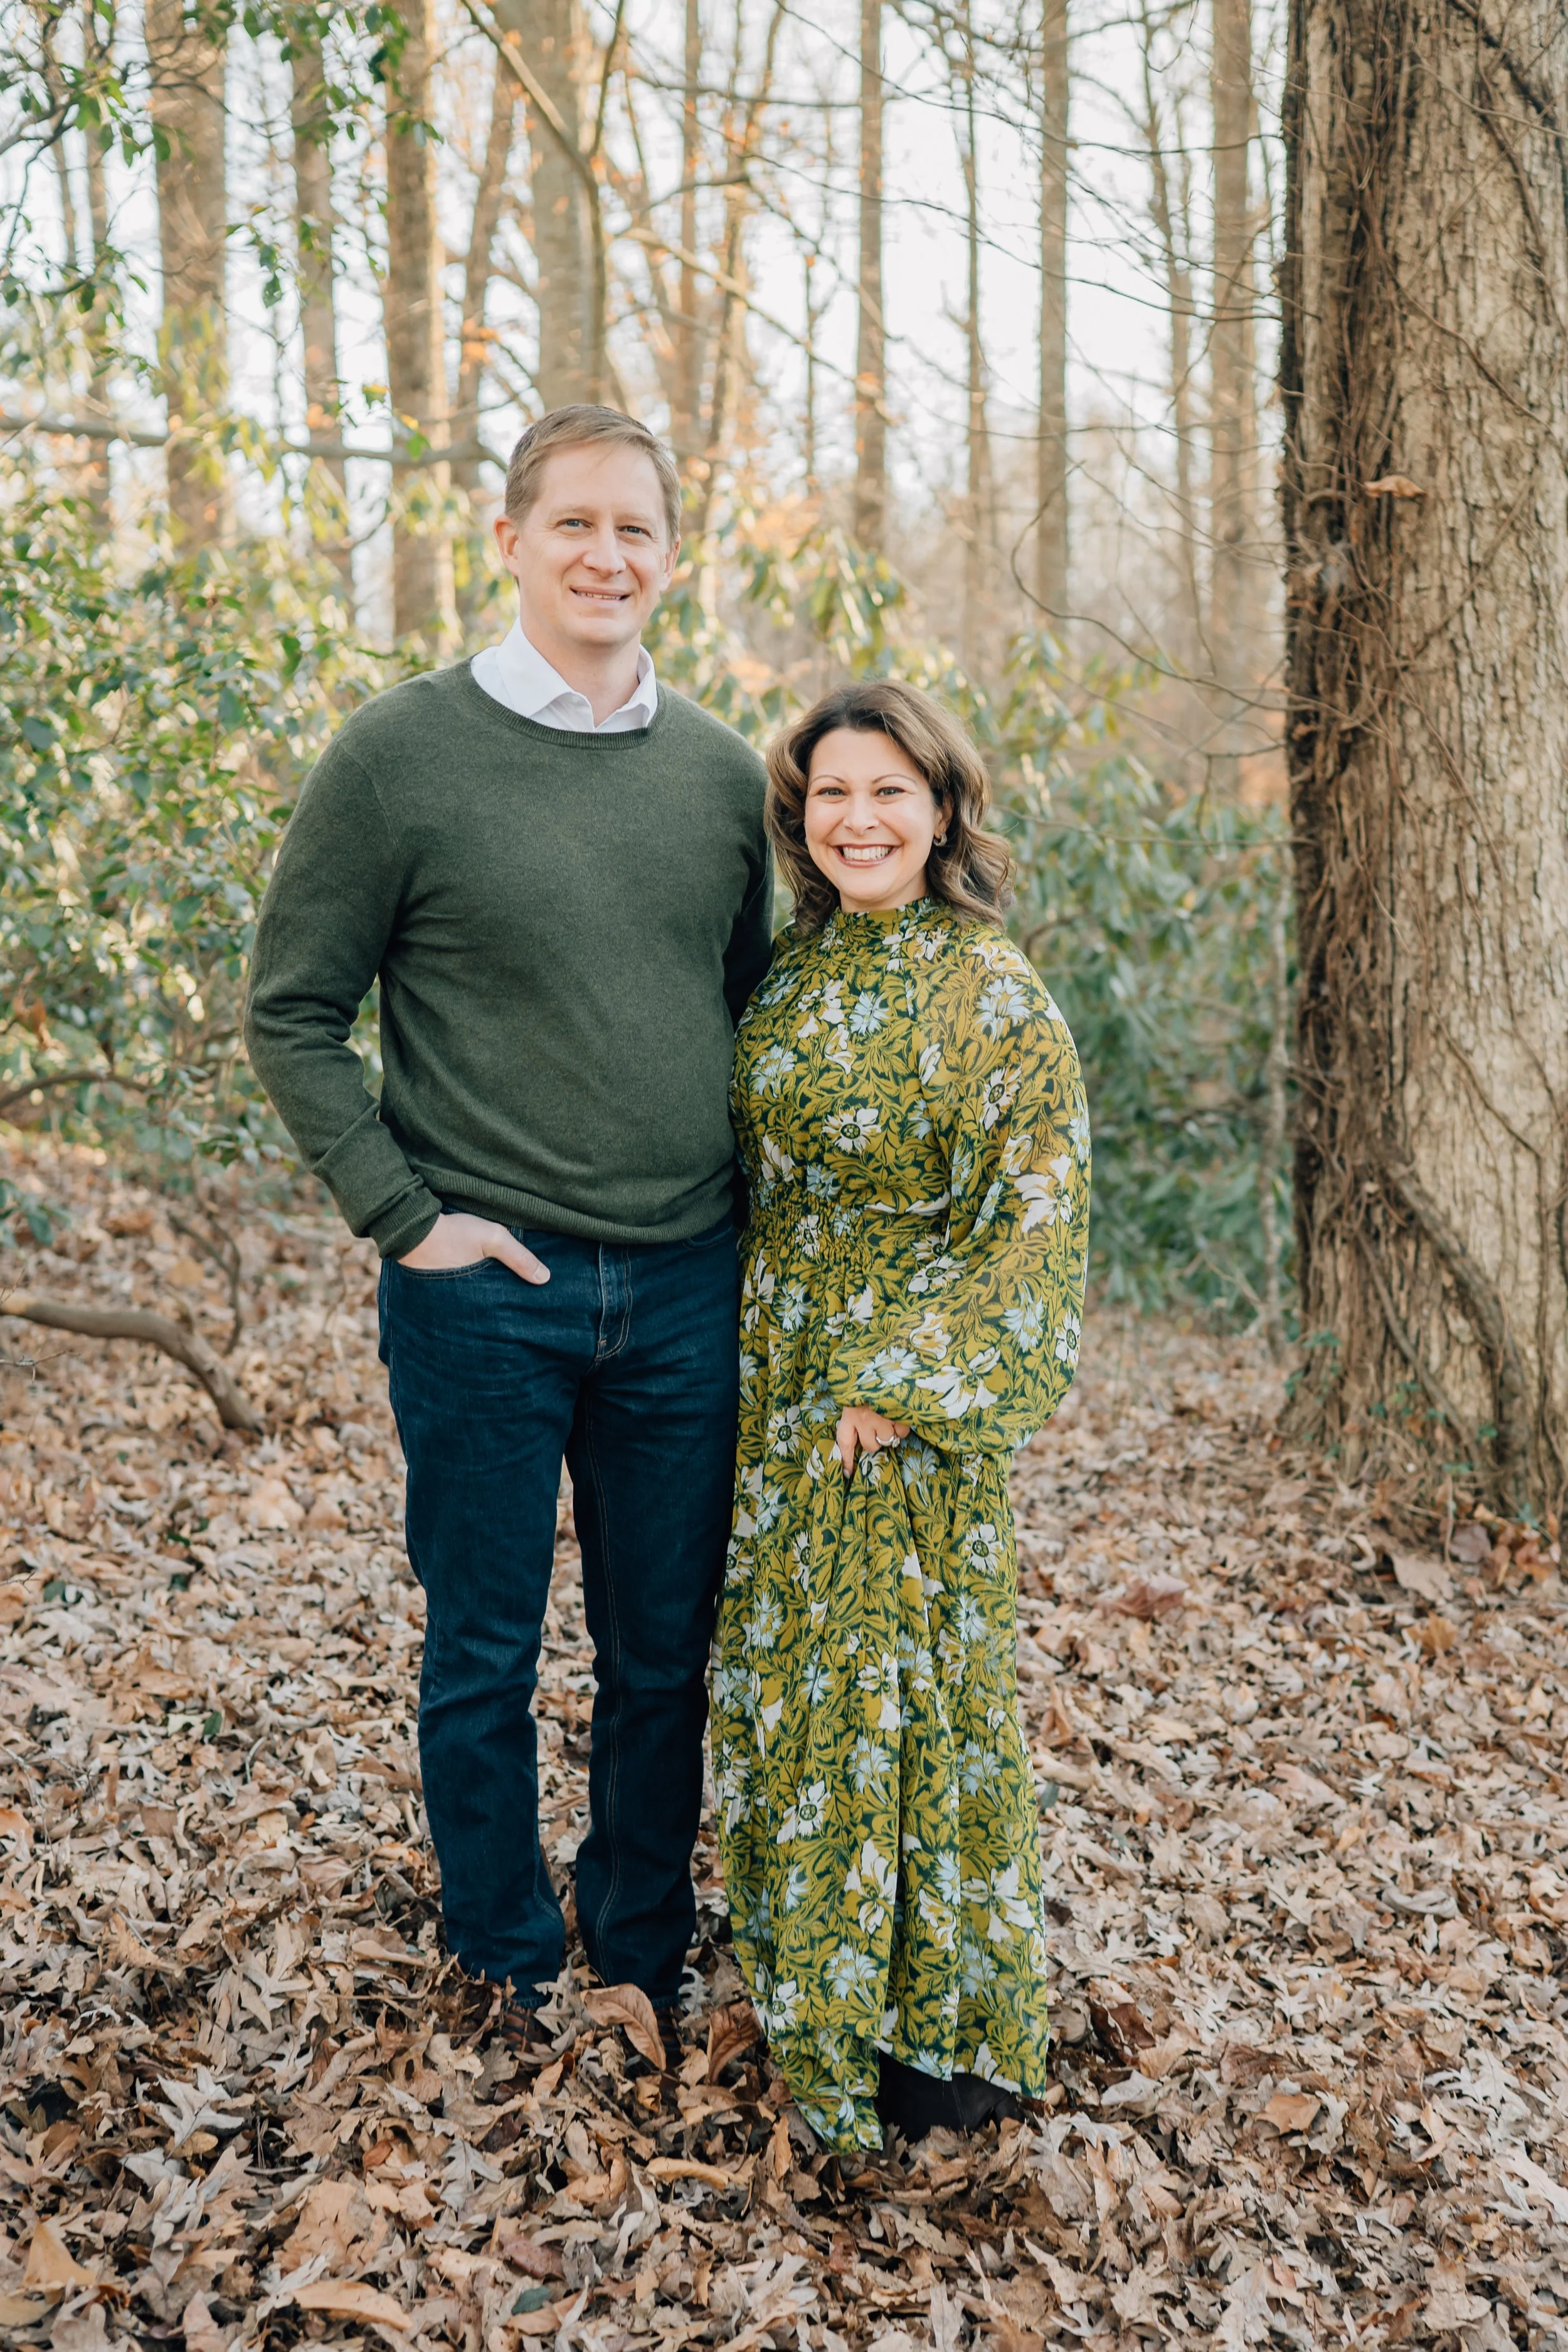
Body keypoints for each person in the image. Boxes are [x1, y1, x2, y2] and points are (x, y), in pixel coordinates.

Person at [245, 406, 770, 2050]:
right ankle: (504, 1945)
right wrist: (406, 1218)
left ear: (671, 557)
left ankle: (633, 1942)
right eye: (575, 527)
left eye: (637, 531)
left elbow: (746, 1009)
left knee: (658, 1650)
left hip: (684, 1287)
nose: (607, 557)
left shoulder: (720, 774)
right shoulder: (399, 757)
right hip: (488, 1291)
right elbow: (291, 1009)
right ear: (509, 539)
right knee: (480, 1639)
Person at [710, 679, 1089, 2151]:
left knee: (906, 1701)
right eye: (828, 797)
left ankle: (929, 2048)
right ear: (799, 824)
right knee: (797, 1690)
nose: (856, 820)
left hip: (897, 1410)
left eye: (886, 793)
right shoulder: (792, 977)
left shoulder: (990, 992)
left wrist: (911, 1383)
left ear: (941, 811)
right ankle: (812, 1984)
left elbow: (1035, 1221)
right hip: (775, 1385)